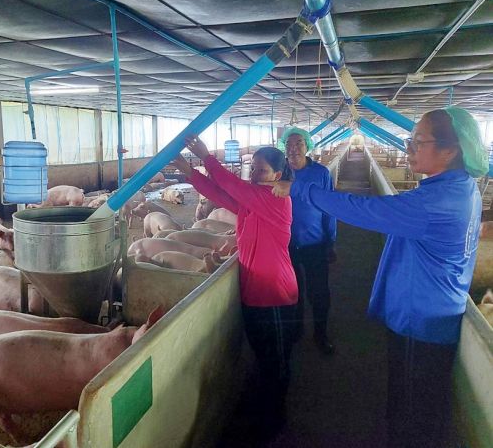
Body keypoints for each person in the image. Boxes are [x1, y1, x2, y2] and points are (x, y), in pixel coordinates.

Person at [267, 107, 488, 448]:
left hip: (420, 319)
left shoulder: (437, 201)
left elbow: (365, 209)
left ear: (450, 150)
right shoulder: (461, 189)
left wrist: (300, 190)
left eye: (418, 141)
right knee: (417, 405)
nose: (408, 148)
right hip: (432, 310)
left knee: (409, 414)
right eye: (409, 140)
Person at [172, 137, 297, 431]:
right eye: (253, 169)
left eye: (262, 171)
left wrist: (207, 157)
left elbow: (231, 185)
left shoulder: (276, 200)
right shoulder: (252, 203)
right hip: (253, 293)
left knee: (275, 361)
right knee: (263, 356)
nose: (254, 175)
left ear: (278, 175)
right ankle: (265, 409)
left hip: (275, 293)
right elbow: (219, 193)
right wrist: (190, 173)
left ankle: (275, 419)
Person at [279, 126, 337, 354]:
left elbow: (330, 208)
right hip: (286, 245)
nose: (293, 148)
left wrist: (331, 240)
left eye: (299, 144)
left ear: (308, 146)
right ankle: (296, 330)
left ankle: (321, 334)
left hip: (315, 243)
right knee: (294, 291)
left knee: (319, 291)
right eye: (289, 144)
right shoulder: (279, 172)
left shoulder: (321, 173)